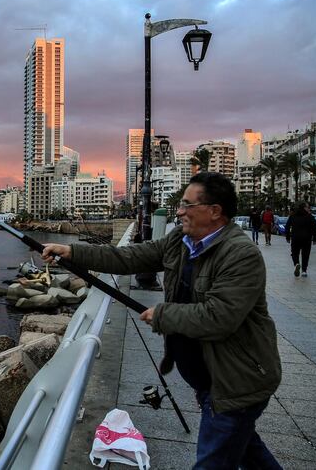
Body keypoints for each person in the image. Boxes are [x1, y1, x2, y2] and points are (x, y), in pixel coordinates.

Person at [43, 172, 281, 469]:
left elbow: (220, 317)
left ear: (214, 211)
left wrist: (162, 314)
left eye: (187, 205)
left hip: (236, 381)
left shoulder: (241, 254)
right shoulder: (181, 240)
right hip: (210, 377)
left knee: (214, 459)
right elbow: (129, 258)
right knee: (246, 449)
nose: (179, 211)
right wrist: (73, 252)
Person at [286, 201, 316, 277]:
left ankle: (296, 263)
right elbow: (315, 227)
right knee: (305, 254)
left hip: (295, 238)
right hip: (306, 238)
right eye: (308, 207)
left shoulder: (293, 215)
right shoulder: (310, 216)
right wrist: (315, 238)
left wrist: (287, 237)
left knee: (294, 253)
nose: (309, 209)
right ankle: (304, 271)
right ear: (304, 208)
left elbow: (287, 226)